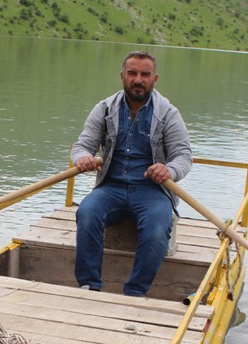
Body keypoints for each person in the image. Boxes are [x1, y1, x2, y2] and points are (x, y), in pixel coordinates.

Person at [70, 51, 193, 297]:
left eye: (145, 74)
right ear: (122, 76)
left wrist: (168, 170)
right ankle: (89, 285)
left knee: (157, 229)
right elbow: (82, 146)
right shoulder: (104, 109)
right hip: (111, 188)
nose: (138, 80)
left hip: (152, 191)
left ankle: (135, 290)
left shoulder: (168, 113)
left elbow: (184, 156)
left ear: (154, 79)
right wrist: (82, 158)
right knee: (87, 213)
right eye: (132, 73)